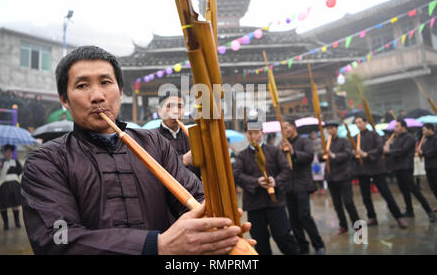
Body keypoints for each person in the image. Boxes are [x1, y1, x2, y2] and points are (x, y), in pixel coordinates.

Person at [21, 45, 254, 255]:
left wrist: (214, 231)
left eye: (105, 82)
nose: (98, 96)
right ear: (64, 99)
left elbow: (194, 197)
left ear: (121, 92)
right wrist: (157, 246)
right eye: (82, 85)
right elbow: (58, 239)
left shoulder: (154, 143)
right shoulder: (46, 161)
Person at [233, 121, 298, 255]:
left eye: (257, 133)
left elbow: (286, 170)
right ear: (247, 135)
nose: (254, 136)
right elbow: (237, 175)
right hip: (254, 204)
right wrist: (256, 182)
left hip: (275, 202)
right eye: (250, 133)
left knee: (283, 236)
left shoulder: (274, 151)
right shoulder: (242, 155)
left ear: (262, 133)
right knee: (260, 241)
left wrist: (276, 180)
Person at [279, 120, 325, 255]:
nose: (284, 130)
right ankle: (302, 246)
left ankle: (318, 244)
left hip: (302, 184)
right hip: (288, 186)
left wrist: (293, 152)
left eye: (286, 127)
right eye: (282, 128)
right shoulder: (281, 144)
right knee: (293, 219)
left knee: (304, 216)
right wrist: (282, 152)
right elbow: (279, 163)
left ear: (293, 128)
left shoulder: (305, 142)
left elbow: (309, 156)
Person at [353, 116, 407, 228]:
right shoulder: (355, 138)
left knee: (386, 193)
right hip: (362, 170)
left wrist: (366, 154)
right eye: (356, 123)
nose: (358, 125)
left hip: (377, 169)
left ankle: (398, 217)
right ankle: (372, 217)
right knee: (365, 196)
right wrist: (355, 153)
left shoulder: (374, 134)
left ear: (366, 122)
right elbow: (352, 152)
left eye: (360, 122)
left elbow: (379, 149)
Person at [384, 119, 435, 223]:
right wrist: (387, 149)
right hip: (397, 167)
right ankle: (409, 210)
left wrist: (390, 151)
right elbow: (393, 151)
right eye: (395, 127)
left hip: (406, 167)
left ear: (403, 127)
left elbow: (403, 150)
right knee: (404, 190)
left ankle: (429, 211)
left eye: (397, 126)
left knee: (414, 190)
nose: (395, 129)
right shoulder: (396, 138)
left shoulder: (410, 138)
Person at [318, 121, 360, 235]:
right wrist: (322, 154)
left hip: (343, 176)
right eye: (328, 129)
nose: (330, 131)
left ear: (336, 129)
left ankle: (358, 226)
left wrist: (332, 155)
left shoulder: (344, 141)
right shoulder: (326, 143)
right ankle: (343, 225)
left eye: (332, 128)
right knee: (337, 204)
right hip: (331, 177)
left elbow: (347, 154)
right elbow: (320, 158)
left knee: (348, 202)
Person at [155, 91, 200, 179]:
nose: (175, 111)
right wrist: (183, 160)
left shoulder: (192, 137)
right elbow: (153, 168)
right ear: (159, 111)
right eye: (169, 106)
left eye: (180, 106)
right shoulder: (152, 138)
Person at [0, 144, 22, 230]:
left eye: (10, 152)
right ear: (3, 153)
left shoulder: (16, 162)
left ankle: (17, 221)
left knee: (15, 205)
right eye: (6, 152)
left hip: (14, 186)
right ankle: (5, 223)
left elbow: (21, 173)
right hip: (2, 187)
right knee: (3, 206)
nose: (8, 154)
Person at [416, 123, 437, 212]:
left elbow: (435, 151)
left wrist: (423, 153)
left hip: (435, 166)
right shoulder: (426, 140)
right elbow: (424, 150)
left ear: (430, 129)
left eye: (424, 130)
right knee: (433, 187)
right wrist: (420, 151)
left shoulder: (436, 138)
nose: (423, 132)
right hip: (428, 166)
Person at [309, 130, 325, 195]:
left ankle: (322, 188)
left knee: (321, 174)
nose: (313, 136)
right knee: (314, 175)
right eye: (312, 135)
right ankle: (315, 189)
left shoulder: (320, 141)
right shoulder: (310, 142)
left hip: (319, 158)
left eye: (314, 134)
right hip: (313, 159)